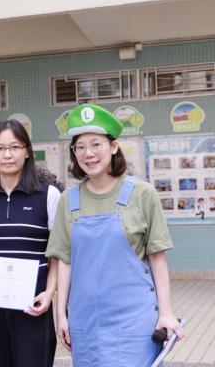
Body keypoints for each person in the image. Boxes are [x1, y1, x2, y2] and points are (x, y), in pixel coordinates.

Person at [46, 104, 184, 367]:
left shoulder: (143, 194)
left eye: (96, 144)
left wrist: (166, 312)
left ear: (113, 146)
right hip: (85, 323)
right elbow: (65, 261)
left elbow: (157, 258)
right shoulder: (68, 199)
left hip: (135, 322)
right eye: (80, 147)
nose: (88, 153)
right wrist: (61, 314)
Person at [0, 120, 60, 367]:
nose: (7, 154)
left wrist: (49, 293)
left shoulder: (48, 195)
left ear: (26, 152)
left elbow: (57, 253)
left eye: (15, 147)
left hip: (33, 304)